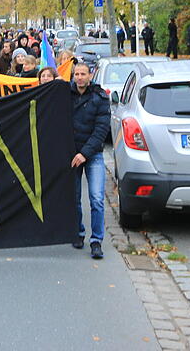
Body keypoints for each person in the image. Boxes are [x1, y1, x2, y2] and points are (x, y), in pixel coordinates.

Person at [70, 62, 110, 260]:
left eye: (83, 74)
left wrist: (84, 153)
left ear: (90, 75)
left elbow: (101, 130)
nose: (79, 77)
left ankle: (96, 240)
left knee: (96, 198)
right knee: (74, 198)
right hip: (71, 154)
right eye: (76, 74)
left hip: (92, 154)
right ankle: (78, 233)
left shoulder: (100, 97)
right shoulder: (65, 94)